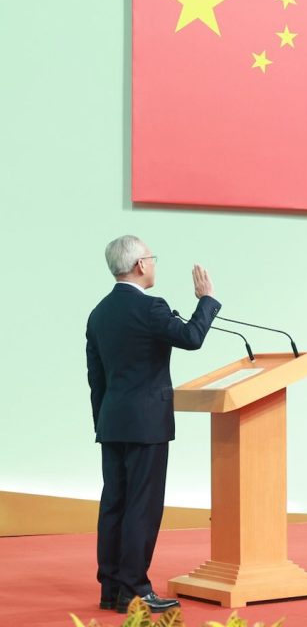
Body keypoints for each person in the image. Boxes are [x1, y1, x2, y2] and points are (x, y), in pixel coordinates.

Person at [86, 235, 220, 613]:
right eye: (152, 258)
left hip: (112, 422)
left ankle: (111, 589)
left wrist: (104, 422)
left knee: (114, 505)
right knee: (142, 509)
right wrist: (206, 300)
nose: (154, 264)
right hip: (146, 425)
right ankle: (135, 590)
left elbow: (96, 379)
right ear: (141, 265)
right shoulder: (150, 308)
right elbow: (191, 338)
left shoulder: (98, 313)